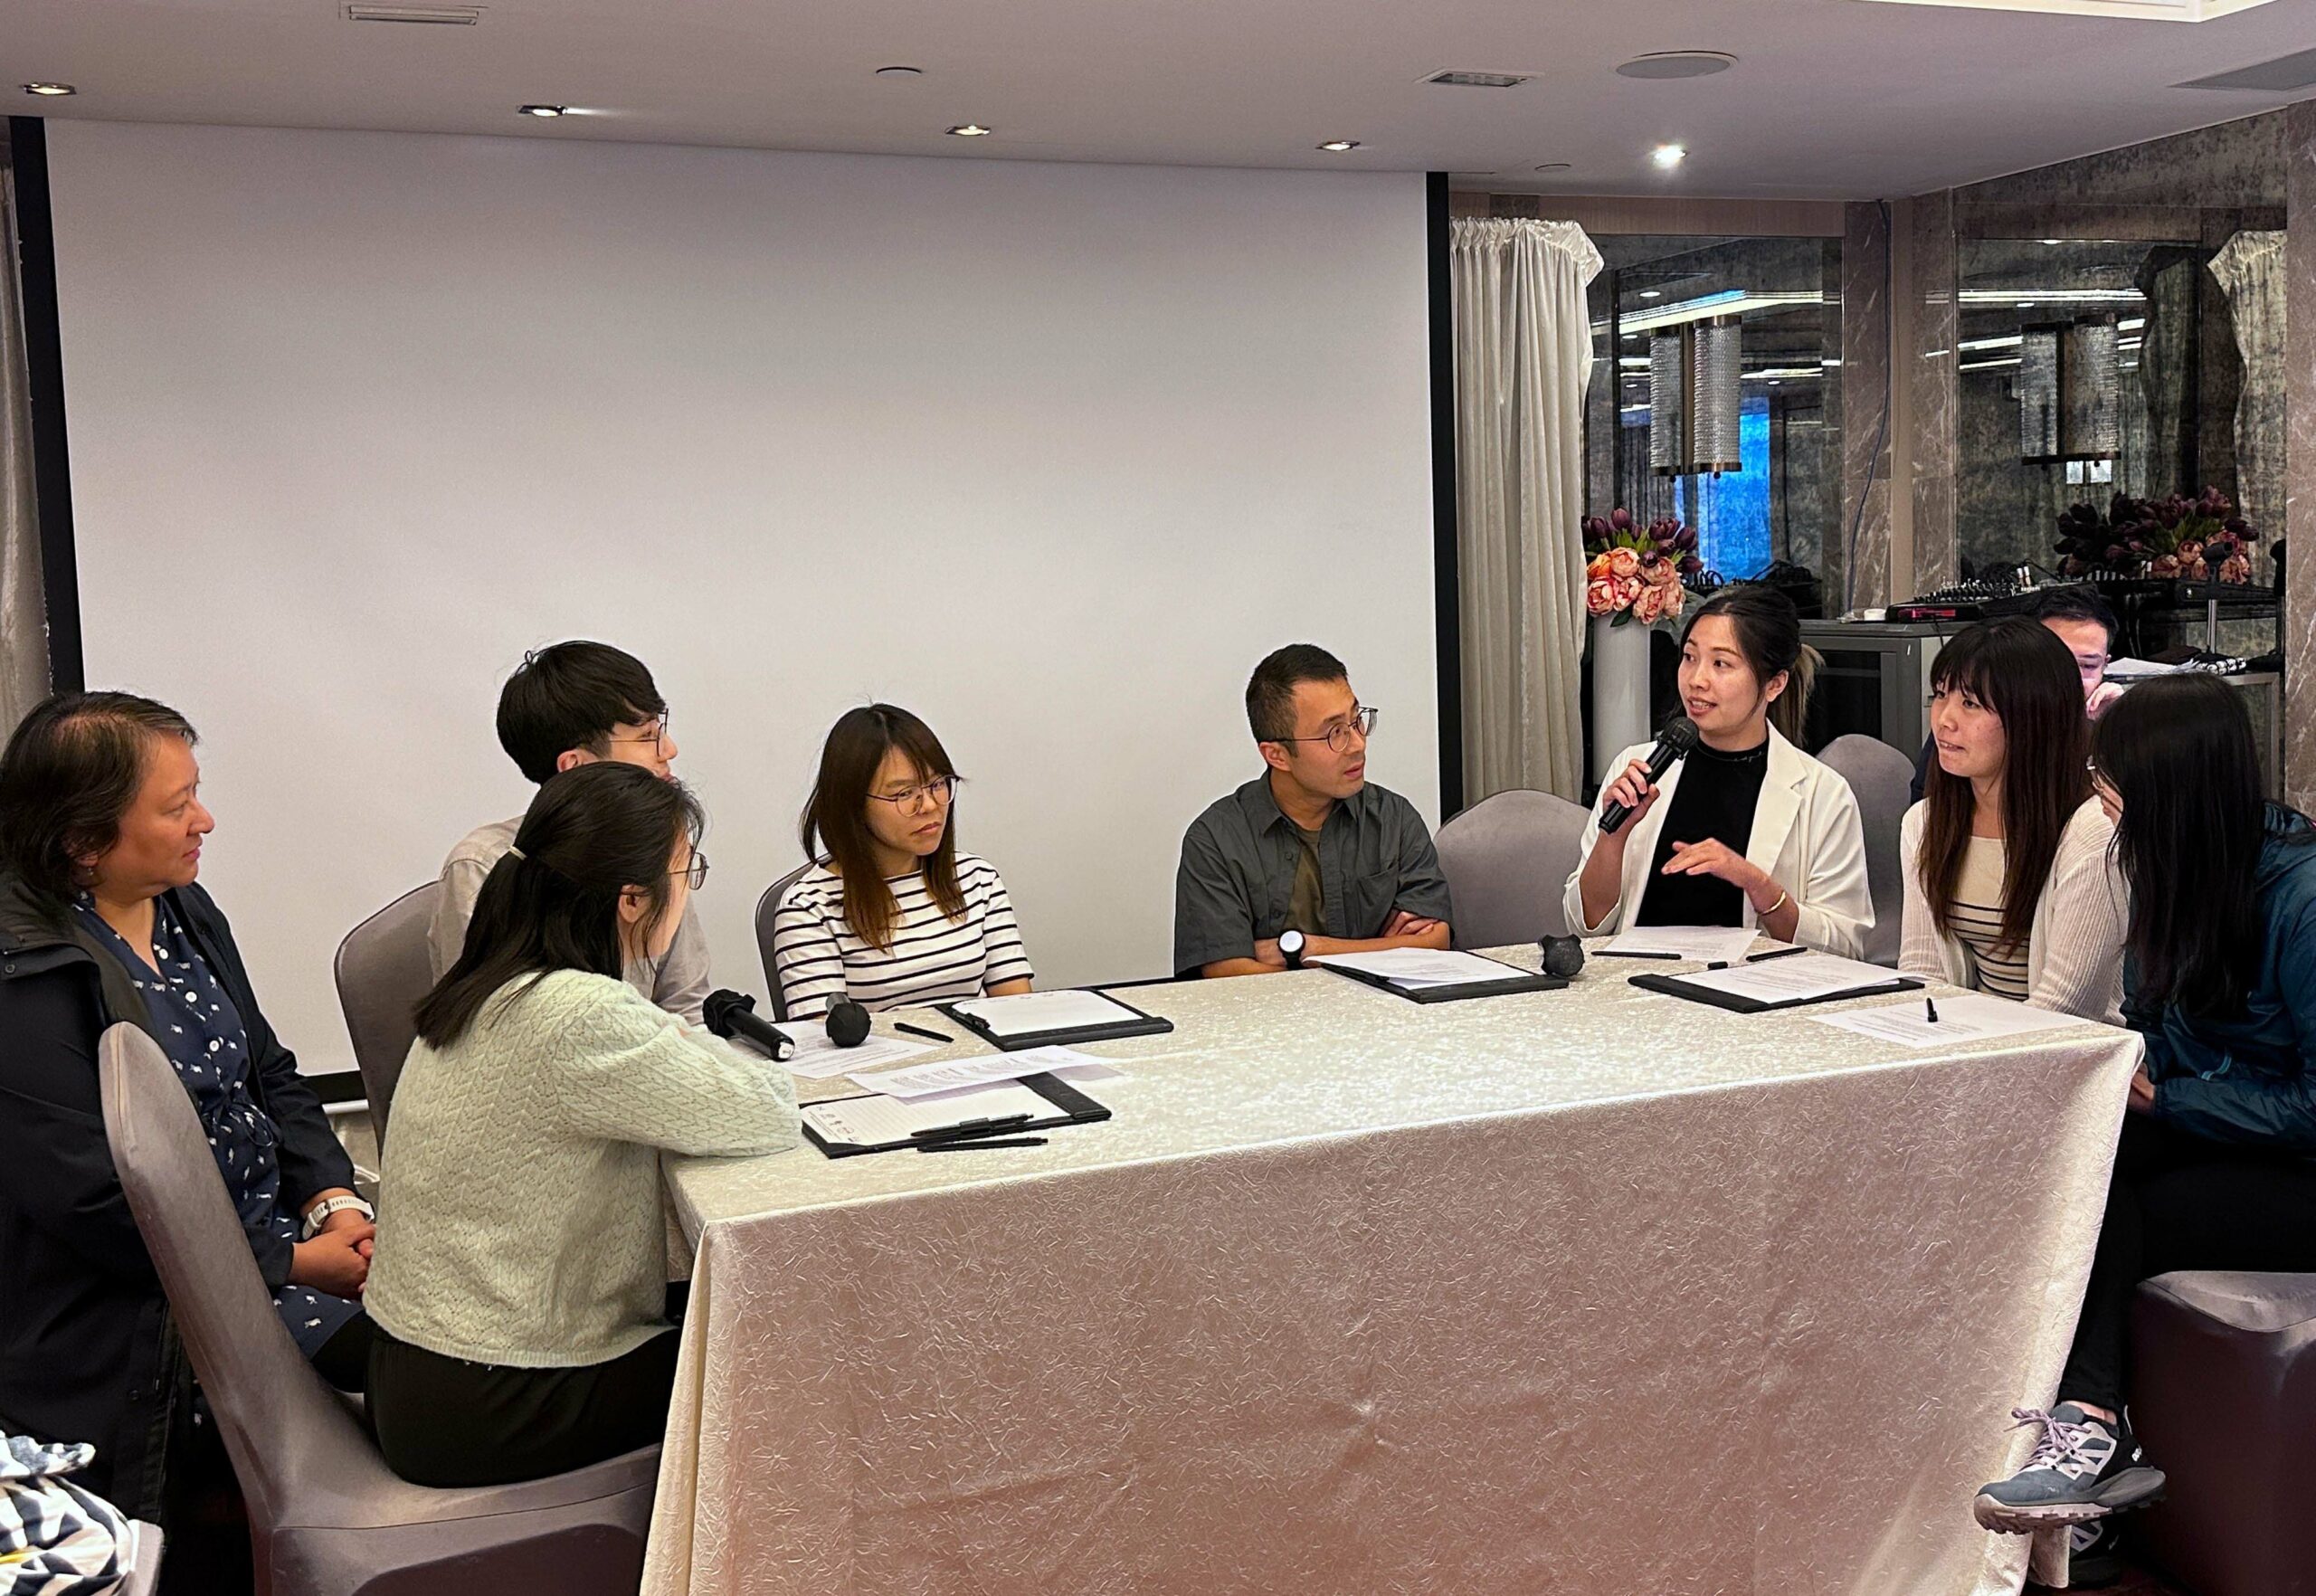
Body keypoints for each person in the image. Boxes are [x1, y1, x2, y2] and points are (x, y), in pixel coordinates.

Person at [366, 762, 798, 1488]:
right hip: (497, 1396)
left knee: (729, 1322)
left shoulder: (490, 984)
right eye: (685, 870)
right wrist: (685, 1040)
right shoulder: (580, 1015)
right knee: (791, 1359)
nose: (688, 888)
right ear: (632, 899)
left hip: (422, 1368)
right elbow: (765, 1110)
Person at [0, 693, 373, 1530]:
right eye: (177, 807)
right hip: (158, 1310)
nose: (204, 820)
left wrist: (333, 1199)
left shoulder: (182, 907)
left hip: (275, 1252)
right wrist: (295, 1263)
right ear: (82, 841)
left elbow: (270, 1072)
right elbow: (97, 1203)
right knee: (438, 1387)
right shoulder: (23, 974)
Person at [1972, 676, 2316, 1582]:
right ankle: (2081, 1444)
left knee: (2107, 1205)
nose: (2102, 812)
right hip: (2224, 1133)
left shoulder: (2302, 901)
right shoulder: (2171, 870)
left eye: (2115, 794)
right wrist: (2134, 1073)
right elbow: (2159, 1021)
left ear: (2169, 798)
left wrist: (2172, 1102)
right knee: (2072, 1158)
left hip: (2299, 1166)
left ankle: (2089, 1440)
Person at [1565, 584, 1872, 956]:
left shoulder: (1823, 794)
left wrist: (1758, 885)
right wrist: (1612, 838)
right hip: (1634, 985)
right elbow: (1587, 924)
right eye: (1690, 657)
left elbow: (1845, 946)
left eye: (1721, 664)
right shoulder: (1638, 767)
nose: (1696, 680)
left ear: (1774, 684)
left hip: (1751, 997)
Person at [430, 641, 709, 1026]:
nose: (669, 749)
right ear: (576, 766)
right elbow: (490, 1031)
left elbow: (686, 1006)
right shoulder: (485, 865)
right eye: (646, 737)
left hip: (653, 1071)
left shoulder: (657, 846)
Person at [1174, 643, 1454, 978]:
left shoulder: (1394, 819)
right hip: (1269, 1026)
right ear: (1277, 755)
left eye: (1357, 721)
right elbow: (1228, 974)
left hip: (1386, 1019)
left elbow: (1436, 943)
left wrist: (1305, 949)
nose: (1358, 744)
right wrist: (1382, 952)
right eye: (1334, 732)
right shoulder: (1216, 840)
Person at [1899, 619, 2127, 1021]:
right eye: (1940, 696)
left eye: (1970, 704)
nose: (1944, 720)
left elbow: (2068, 1006)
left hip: (2064, 1054)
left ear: (2030, 716)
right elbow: (1922, 973)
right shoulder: (1924, 822)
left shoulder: (2092, 832)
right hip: (1962, 1045)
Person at [771, 705, 1033, 1020]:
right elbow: (823, 1043)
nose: (930, 805)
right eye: (904, 794)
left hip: (984, 1064)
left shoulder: (977, 879)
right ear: (853, 803)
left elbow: (1019, 1014)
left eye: (938, 784)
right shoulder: (810, 907)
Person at [1909, 585, 2121, 805]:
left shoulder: (2106, 726)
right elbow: (1927, 803)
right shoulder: (1965, 723)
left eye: (2087, 665)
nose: (2068, 679)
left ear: (2105, 665)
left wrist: (2114, 730)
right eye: (2053, 662)